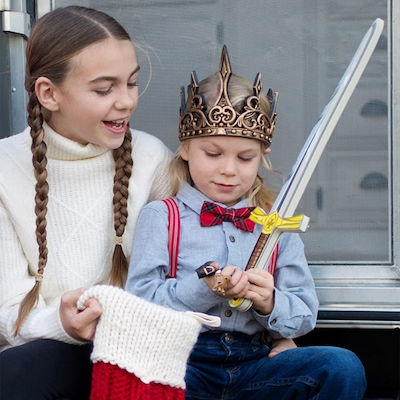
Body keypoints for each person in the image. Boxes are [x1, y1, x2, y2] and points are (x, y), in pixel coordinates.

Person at [125, 46, 367, 399]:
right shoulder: (162, 217)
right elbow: (140, 305)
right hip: (183, 363)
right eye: (213, 153)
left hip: (257, 362)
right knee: (138, 380)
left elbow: (303, 313)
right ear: (186, 148)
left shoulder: (276, 225)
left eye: (244, 157)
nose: (228, 169)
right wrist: (204, 288)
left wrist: (269, 302)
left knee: (341, 367)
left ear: (262, 157)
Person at [0, 6, 172, 400]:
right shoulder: (4, 170)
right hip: (51, 360)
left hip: (140, 356)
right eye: (104, 89)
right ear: (49, 93)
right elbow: (8, 314)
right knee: (18, 370)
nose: (127, 101)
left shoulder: (152, 158)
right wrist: (61, 321)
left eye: (131, 83)